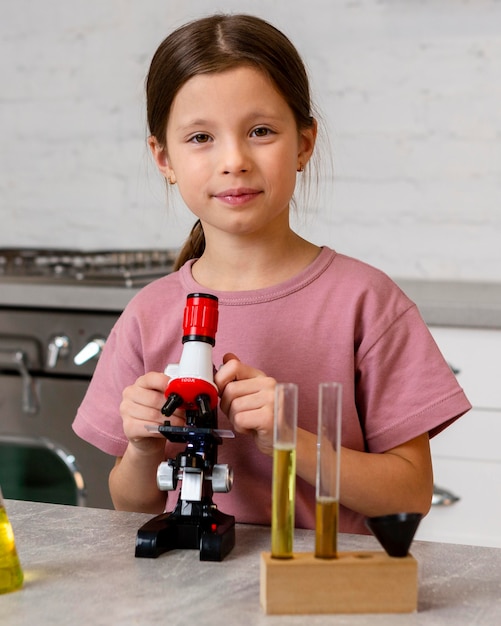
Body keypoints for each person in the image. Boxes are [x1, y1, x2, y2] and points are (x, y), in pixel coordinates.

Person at [73, 13, 470, 534]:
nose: (234, 159)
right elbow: (131, 506)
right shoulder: (148, 314)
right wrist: (145, 447)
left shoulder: (367, 302)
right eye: (200, 137)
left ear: (304, 143)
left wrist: (292, 441)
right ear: (163, 157)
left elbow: (410, 496)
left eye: (261, 131)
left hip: (320, 599)